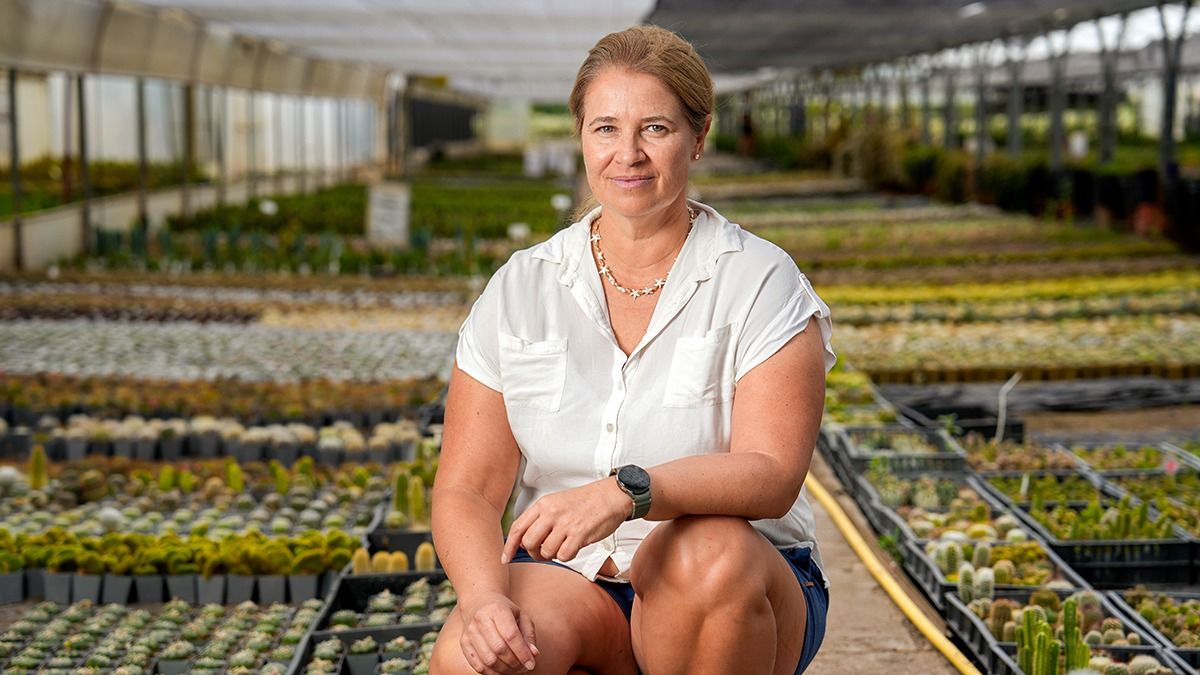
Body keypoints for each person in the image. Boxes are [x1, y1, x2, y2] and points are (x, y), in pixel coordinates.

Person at [431, 25, 836, 675]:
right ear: (580, 136)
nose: (629, 154)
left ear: (698, 138)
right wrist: (481, 601)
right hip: (573, 574)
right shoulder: (522, 286)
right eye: (606, 129)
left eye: (655, 128)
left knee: (709, 555)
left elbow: (772, 473)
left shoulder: (759, 279)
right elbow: (467, 489)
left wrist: (627, 492)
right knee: (470, 658)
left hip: (730, 582)